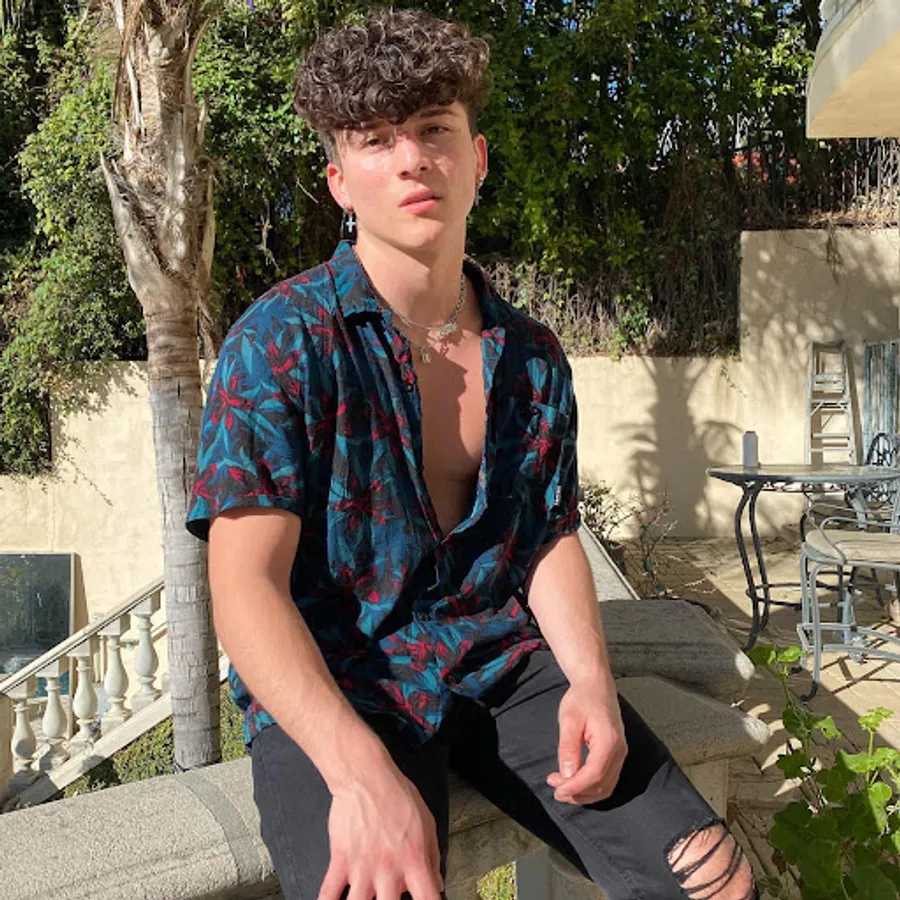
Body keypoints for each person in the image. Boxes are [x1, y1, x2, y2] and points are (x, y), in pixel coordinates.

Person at [186, 9, 757, 900]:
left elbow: (548, 533)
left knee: (714, 882)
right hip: (342, 680)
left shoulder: (529, 356)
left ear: (477, 159)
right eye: (376, 140)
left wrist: (591, 683)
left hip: (498, 662)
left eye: (433, 130)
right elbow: (244, 587)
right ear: (339, 183)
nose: (411, 159)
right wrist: (359, 776)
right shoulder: (282, 341)